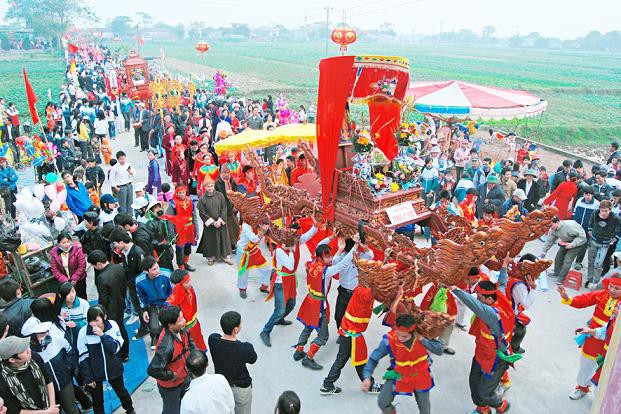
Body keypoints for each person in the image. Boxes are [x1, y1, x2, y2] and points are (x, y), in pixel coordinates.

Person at [294, 236, 360, 370]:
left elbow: (322, 247)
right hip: (319, 305)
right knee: (323, 336)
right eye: (327, 257)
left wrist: (337, 245)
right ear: (320, 258)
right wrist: (355, 246)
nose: (330, 259)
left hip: (310, 300)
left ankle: (299, 350)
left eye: (330, 256)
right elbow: (341, 264)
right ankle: (308, 358)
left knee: (308, 326)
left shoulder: (314, 262)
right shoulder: (326, 271)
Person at [451, 281, 515, 414]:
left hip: (496, 360)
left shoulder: (492, 314)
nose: (478, 300)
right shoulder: (496, 298)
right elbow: (500, 284)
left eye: (480, 298)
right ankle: (483, 409)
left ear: (490, 299)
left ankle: (501, 405)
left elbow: (474, 305)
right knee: (474, 383)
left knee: (485, 392)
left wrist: (455, 289)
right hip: (481, 353)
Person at [361, 313, 443, 414]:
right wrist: (367, 377)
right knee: (382, 401)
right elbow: (373, 358)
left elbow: (439, 350)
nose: (400, 338)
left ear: (413, 332)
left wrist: (423, 340)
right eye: (398, 334)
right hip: (399, 374)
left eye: (404, 336)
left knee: (424, 407)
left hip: (421, 375)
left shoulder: (423, 336)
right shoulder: (390, 340)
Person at [558, 275, 621, 399]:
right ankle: (582, 387)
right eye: (611, 286)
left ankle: (601, 398)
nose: (612, 290)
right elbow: (584, 300)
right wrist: (568, 298)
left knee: (607, 370)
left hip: (613, 341)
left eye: (617, 288)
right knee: (586, 364)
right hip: (593, 337)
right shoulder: (602, 294)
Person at [260, 223, 318, 346]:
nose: (297, 237)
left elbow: (308, 235)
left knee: (291, 304)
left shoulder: (295, 241)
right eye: (293, 235)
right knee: (279, 310)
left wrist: (315, 225)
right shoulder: (280, 250)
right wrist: (291, 251)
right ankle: (265, 331)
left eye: (296, 235)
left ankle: (279, 319)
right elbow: (290, 266)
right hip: (281, 282)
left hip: (290, 280)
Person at [77, 305, 135, 414]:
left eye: (96, 320)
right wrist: (88, 378)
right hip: (95, 372)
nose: (93, 324)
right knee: (97, 400)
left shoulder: (113, 325)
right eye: (90, 321)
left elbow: (114, 348)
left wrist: (102, 335)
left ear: (104, 317)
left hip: (114, 368)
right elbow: (83, 357)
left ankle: (130, 410)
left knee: (121, 392)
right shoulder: (83, 332)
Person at [22, 317, 79, 414]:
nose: (46, 335)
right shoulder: (28, 353)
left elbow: (70, 351)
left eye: (46, 332)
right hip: (46, 390)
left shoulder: (57, 339)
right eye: (42, 334)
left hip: (65, 382)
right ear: (32, 338)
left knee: (71, 409)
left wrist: (68, 367)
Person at [147, 306, 197, 414]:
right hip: (171, 386)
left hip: (185, 377)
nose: (184, 321)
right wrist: (172, 375)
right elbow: (153, 370)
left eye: (183, 317)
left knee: (187, 404)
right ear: (170, 325)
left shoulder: (181, 329)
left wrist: (195, 356)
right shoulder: (166, 346)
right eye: (180, 320)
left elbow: (190, 343)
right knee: (171, 410)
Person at [208, 311, 257, 414]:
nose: (241, 323)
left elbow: (217, 336)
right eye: (240, 323)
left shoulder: (213, 340)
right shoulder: (245, 348)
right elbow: (253, 359)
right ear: (236, 329)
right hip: (240, 389)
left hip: (222, 385)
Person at [87, 250, 130, 361]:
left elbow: (103, 298)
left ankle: (119, 353)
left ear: (98, 264)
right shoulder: (119, 268)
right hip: (121, 303)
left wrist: (101, 311)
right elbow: (124, 286)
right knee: (121, 328)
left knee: (113, 330)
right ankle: (125, 353)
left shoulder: (102, 277)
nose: (94, 268)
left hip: (110, 309)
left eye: (94, 266)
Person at [0, 335, 59, 413]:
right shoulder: (2, 378)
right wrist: (45, 412)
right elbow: (14, 410)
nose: (29, 350)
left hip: (49, 405)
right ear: (12, 360)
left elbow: (48, 379)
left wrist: (52, 406)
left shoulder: (34, 357)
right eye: (23, 351)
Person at [135, 257, 173, 349]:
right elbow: (141, 296)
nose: (158, 270)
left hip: (167, 303)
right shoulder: (139, 281)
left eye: (158, 267)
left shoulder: (167, 274)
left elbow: (173, 291)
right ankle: (155, 337)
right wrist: (144, 310)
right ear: (146, 271)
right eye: (154, 269)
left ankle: (167, 339)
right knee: (154, 327)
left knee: (169, 325)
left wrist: (169, 304)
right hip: (153, 305)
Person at [196, 177, 234, 266]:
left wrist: (220, 220)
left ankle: (225, 257)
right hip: (211, 225)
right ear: (205, 187)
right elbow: (202, 213)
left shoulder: (220, 195)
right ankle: (211, 258)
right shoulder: (202, 199)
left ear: (214, 186)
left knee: (223, 239)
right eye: (208, 186)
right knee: (210, 241)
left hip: (221, 223)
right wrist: (213, 222)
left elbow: (224, 208)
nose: (210, 188)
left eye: (211, 186)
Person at [166, 269, 207, 351]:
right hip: (186, 329)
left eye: (189, 280)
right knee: (191, 347)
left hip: (195, 323)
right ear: (178, 286)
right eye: (187, 282)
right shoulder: (174, 301)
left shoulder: (190, 289)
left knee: (200, 343)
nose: (190, 283)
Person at [541, 216, 588, 284]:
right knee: (558, 257)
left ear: (557, 222)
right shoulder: (552, 229)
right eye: (549, 226)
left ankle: (561, 279)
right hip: (566, 241)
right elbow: (550, 241)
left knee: (567, 261)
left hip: (578, 243)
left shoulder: (569, 226)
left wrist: (572, 244)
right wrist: (544, 251)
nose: (550, 227)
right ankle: (557, 273)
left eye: (551, 225)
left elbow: (582, 237)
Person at [586, 200, 621, 288]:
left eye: (606, 211)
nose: (604, 213)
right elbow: (590, 221)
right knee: (591, 262)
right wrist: (590, 229)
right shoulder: (595, 213)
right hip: (593, 241)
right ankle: (589, 279)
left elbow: (619, 227)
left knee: (598, 264)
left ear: (610, 210)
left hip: (605, 244)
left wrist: (616, 237)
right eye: (602, 211)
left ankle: (596, 282)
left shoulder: (615, 218)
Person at [235, 217, 271, 298]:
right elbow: (254, 239)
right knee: (243, 273)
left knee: (267, 269)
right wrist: (263, 231)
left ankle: (264, 286)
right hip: (243, 253)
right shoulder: (246, 226)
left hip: (254, 251)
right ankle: (242, 289)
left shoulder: (258, 223)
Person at [165, 185, 198, 272]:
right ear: (176, 193)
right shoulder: (173, 204)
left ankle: (185, 263)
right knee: (180, 249)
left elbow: (194, 217)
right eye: (180, 193)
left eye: (183, 192)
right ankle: (181, 267)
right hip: (179, 230)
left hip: (189, 229)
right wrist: (172, 235)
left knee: (188, 247)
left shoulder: (190, 201)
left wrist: (196, 231)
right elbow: (170, 220)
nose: (182, 194)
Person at [50, 232, 88, 300]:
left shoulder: (77, 250)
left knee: (82, 297)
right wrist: (65, 280)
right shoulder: (54, 254)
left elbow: (82, 265)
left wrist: (74, 279)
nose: (66, 244)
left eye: (68, 241)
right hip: (65, 282)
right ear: (59, 244)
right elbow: (55, 269)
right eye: (63, 243)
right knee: (70, 298)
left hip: (79, 280)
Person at [572, 186, 599, 270]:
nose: (588, 196)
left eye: (590, 195)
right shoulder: (579, 200)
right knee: (573, 243)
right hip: (576, 227)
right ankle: (569, 260)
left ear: (592, 195)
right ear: (583, 194)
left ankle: (578, 262)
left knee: (583, 245)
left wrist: (592, 228)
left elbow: (597, 218)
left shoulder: (596, 204)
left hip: (587, 229)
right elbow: (574, 212)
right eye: (586, 194)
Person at [215, 164, 240, 251]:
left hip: (232, 208)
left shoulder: (232, 181)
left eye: (228, 172)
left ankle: (233, 244)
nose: (226, 174)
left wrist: (236, 205)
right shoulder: (217, 183)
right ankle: (227, 246)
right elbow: (216, 197)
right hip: (223, 209)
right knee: (226, 229)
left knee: (235, 227)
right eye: (224, 172)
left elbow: (236, 193)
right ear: (221, 173)